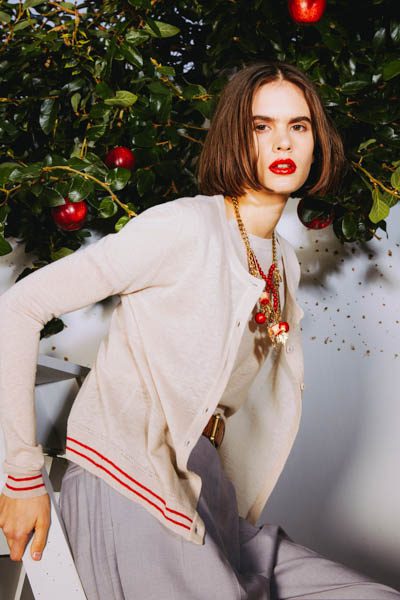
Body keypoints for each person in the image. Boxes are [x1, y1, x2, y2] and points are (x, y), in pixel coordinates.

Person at [0, 61, 399, 600]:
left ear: (317, 143)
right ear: (234, 136)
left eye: (298, 126)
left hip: (209, 494)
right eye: (261, 126)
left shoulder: (282, 259)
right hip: (132, 485)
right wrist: (23, 476)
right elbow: (20, 306)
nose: (282, 142)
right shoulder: (183, 226)